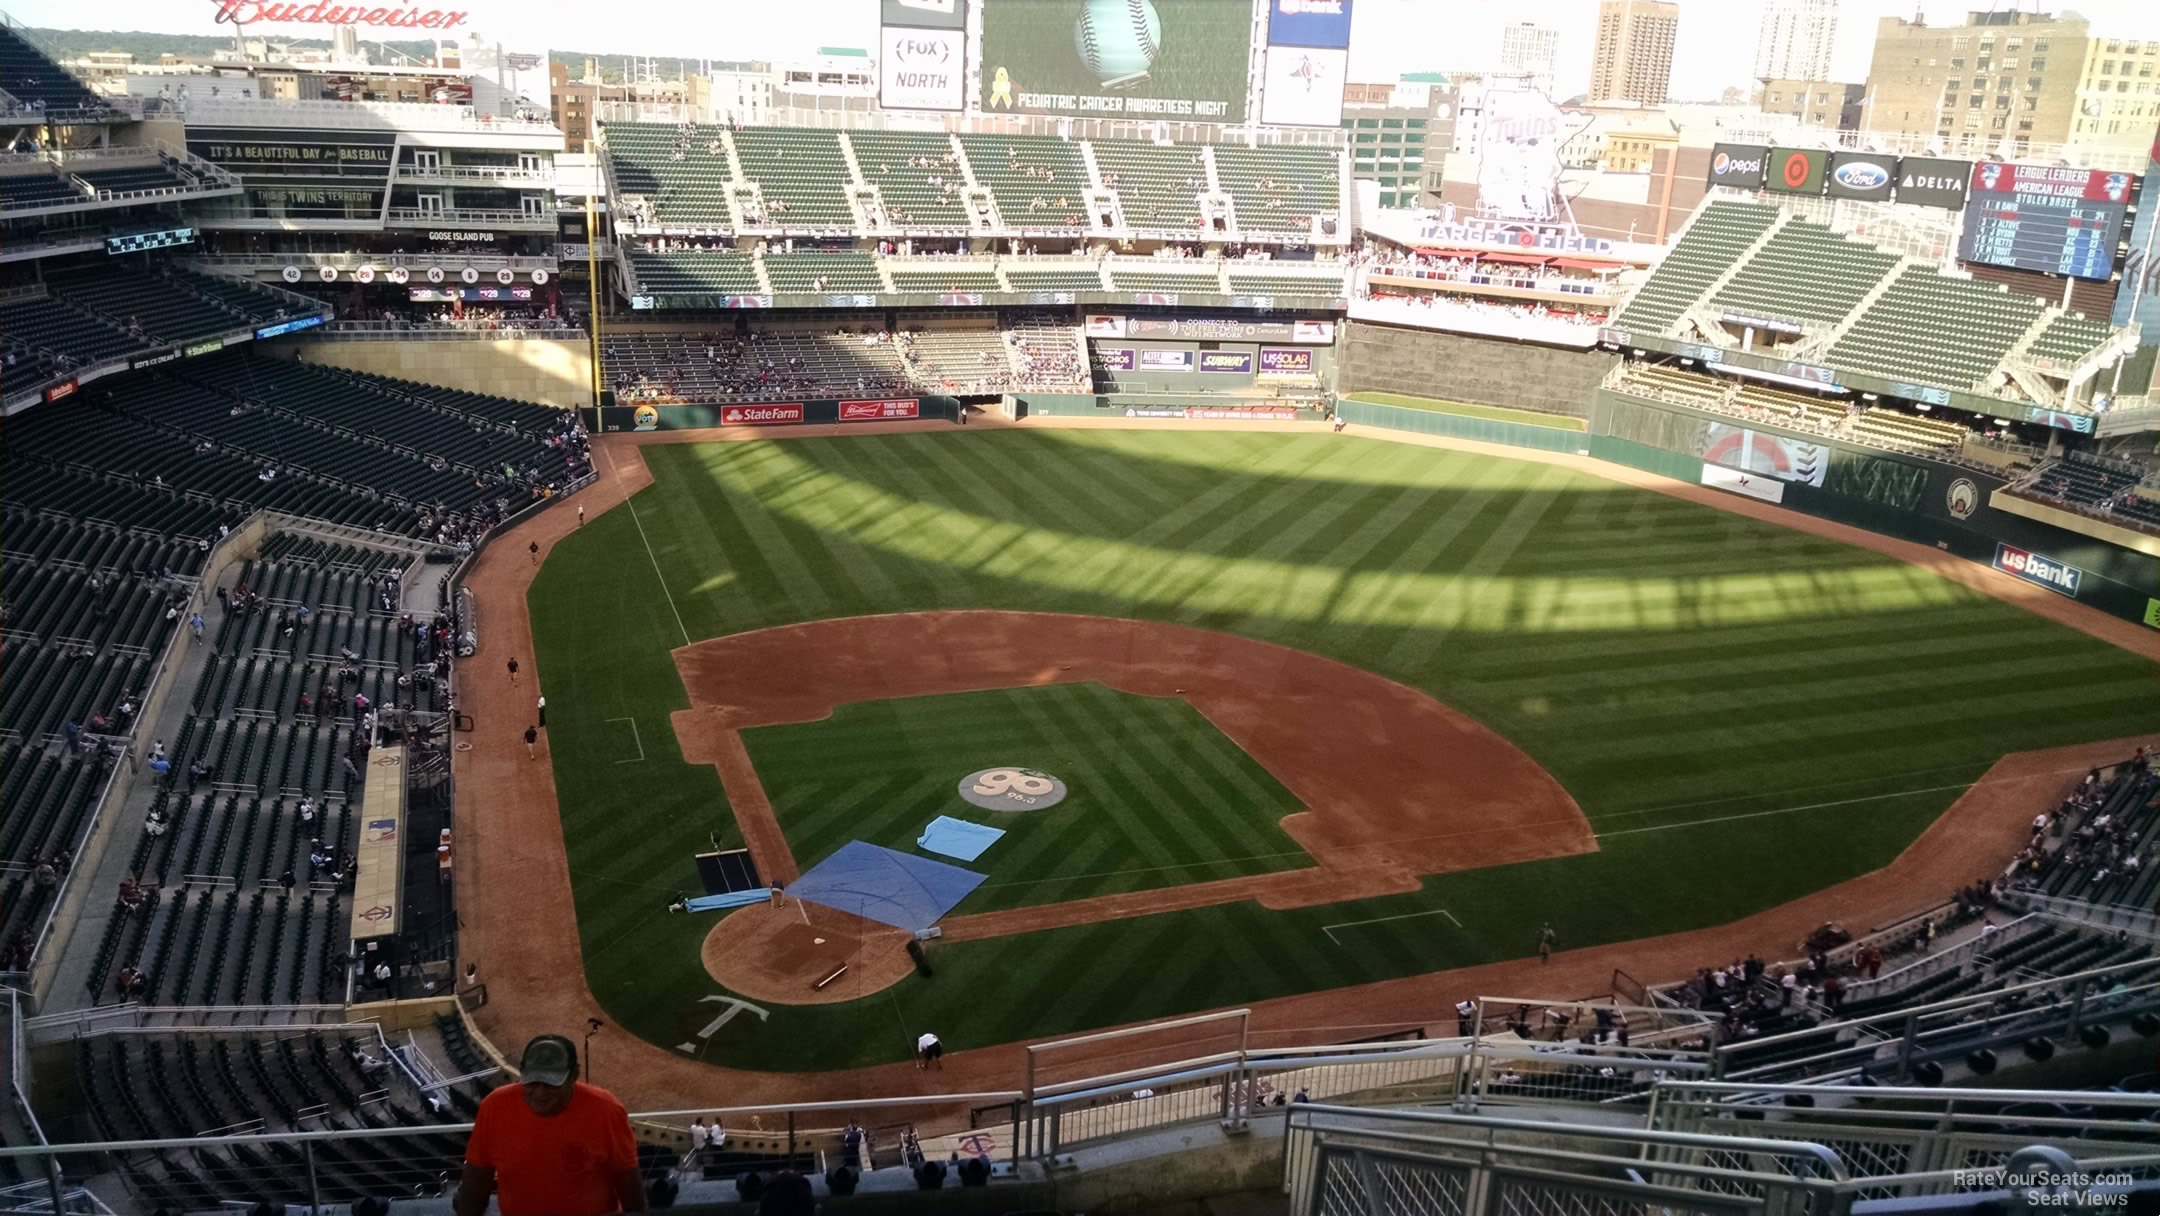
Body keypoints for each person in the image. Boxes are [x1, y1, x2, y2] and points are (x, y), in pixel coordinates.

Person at [457, 1035, 644, 1216]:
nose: (539, 1093)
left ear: (574, 1075)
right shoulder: (494, 1106)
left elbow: (627, 1179)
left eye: (551, 1084)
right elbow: (476, 1179)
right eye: (533, 1082)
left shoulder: (607, 1109)